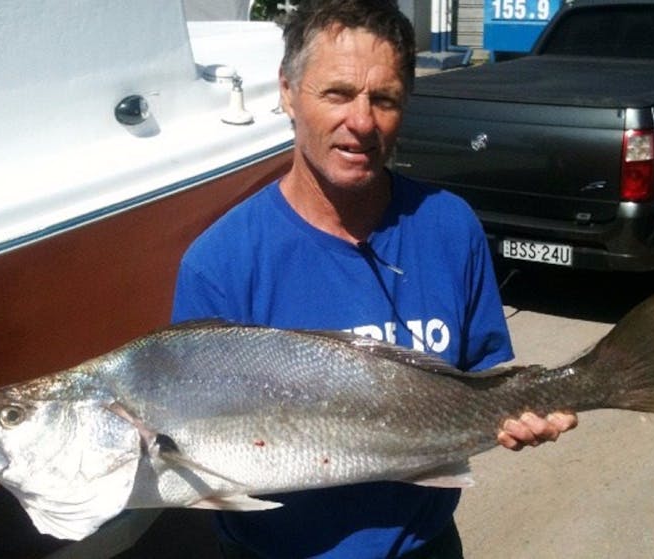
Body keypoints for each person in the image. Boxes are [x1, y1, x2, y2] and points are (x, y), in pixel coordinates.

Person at [172, 1, 577, 556]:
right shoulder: (219, 264)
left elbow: (486, 374)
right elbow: (193, 444)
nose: (361, 122)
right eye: (337, 93)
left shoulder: (449, 225)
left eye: (383, 99)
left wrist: (529, 412)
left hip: (427, 546)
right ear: (288, 92)